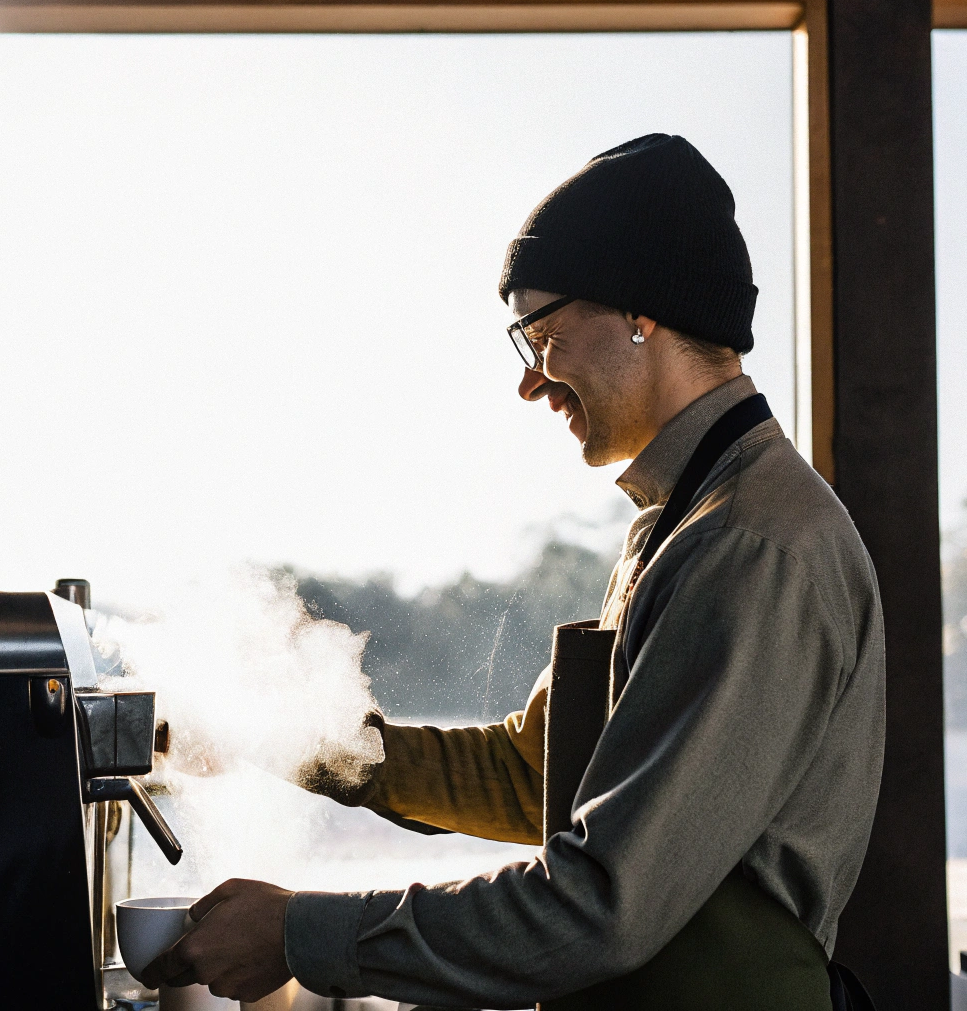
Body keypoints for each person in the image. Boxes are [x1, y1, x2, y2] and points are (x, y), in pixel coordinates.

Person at [143, 134, 885, 1010]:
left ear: (640, 313)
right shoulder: (683, 521)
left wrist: (299, 934)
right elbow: (529, 774)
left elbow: (600, 908)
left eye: (542, 333)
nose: (532, 383)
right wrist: (278, 739)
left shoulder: (751, 548)